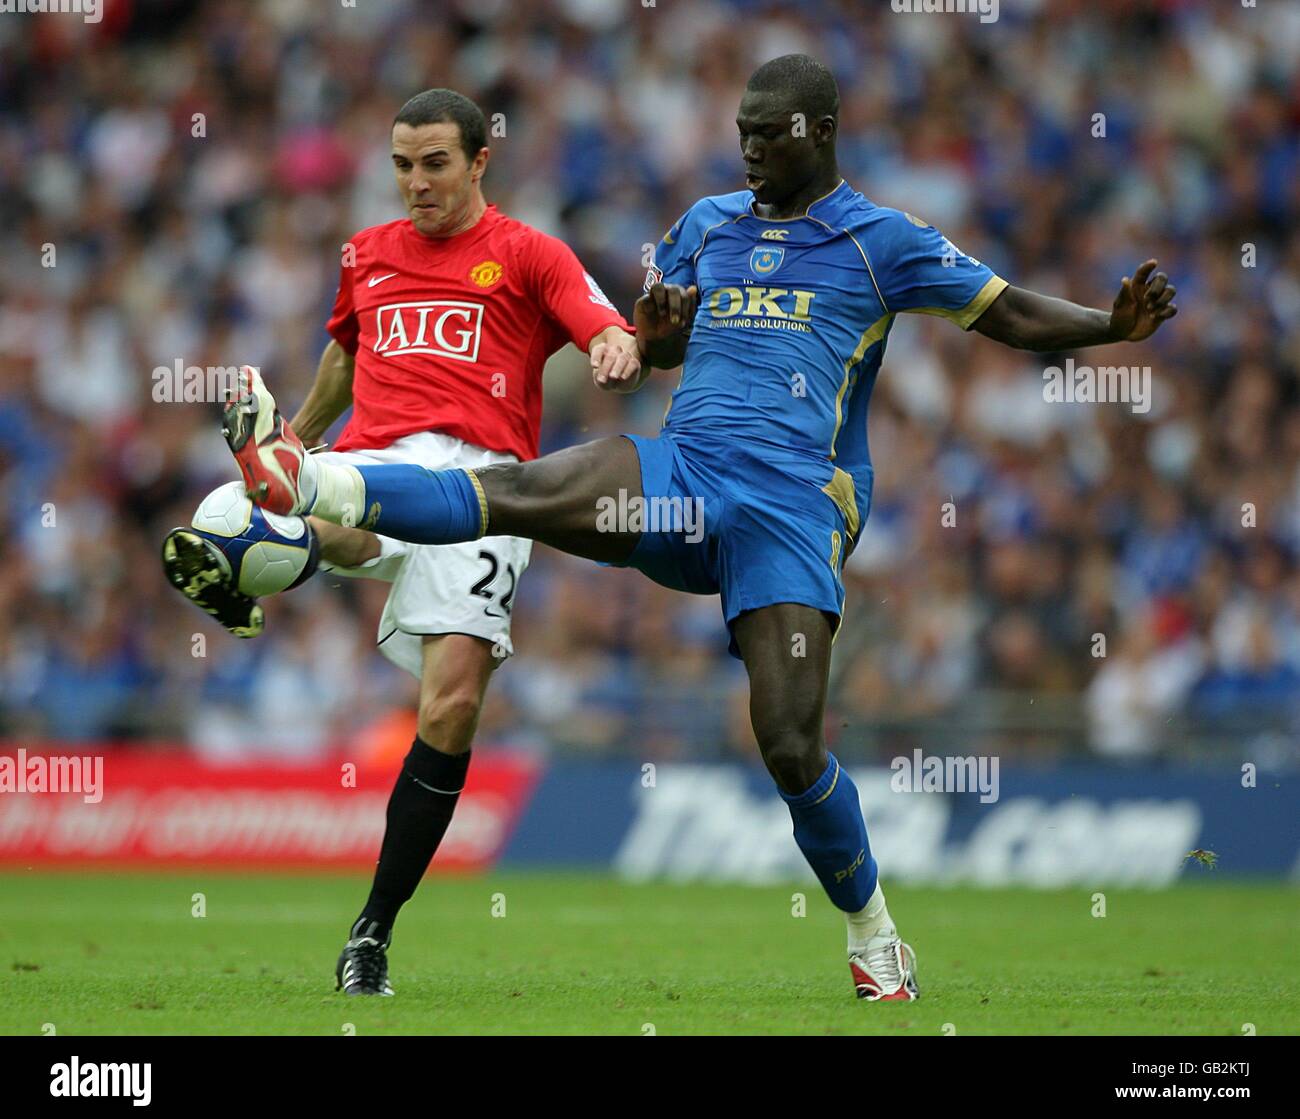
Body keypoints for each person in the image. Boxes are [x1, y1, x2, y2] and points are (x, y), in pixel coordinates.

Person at [220, 56, 1177, 1001]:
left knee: (790, 744)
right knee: (517, 488)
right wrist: (658, 324)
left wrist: (1109, 326)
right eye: (743, 134)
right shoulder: (704, 226)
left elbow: (1004, 312)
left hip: (793, 507)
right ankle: (319, 488)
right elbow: (658, 348)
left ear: (822, 132)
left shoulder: (880, 240)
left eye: (772, 134)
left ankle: (872, 932)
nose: (752, 150)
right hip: (684, 473)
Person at [163, 88, 643, 996]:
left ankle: (371, 931)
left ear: (478, 163)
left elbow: (600, 322)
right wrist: (301, 429)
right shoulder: (366, 255)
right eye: (400, 165)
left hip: (486, 490)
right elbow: (345, 355)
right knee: (337, 508)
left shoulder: (528, 253)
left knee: (451, 709)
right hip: (376, 459)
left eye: (434, 164)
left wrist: (617, 347)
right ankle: (281, 513)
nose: (415, 183)